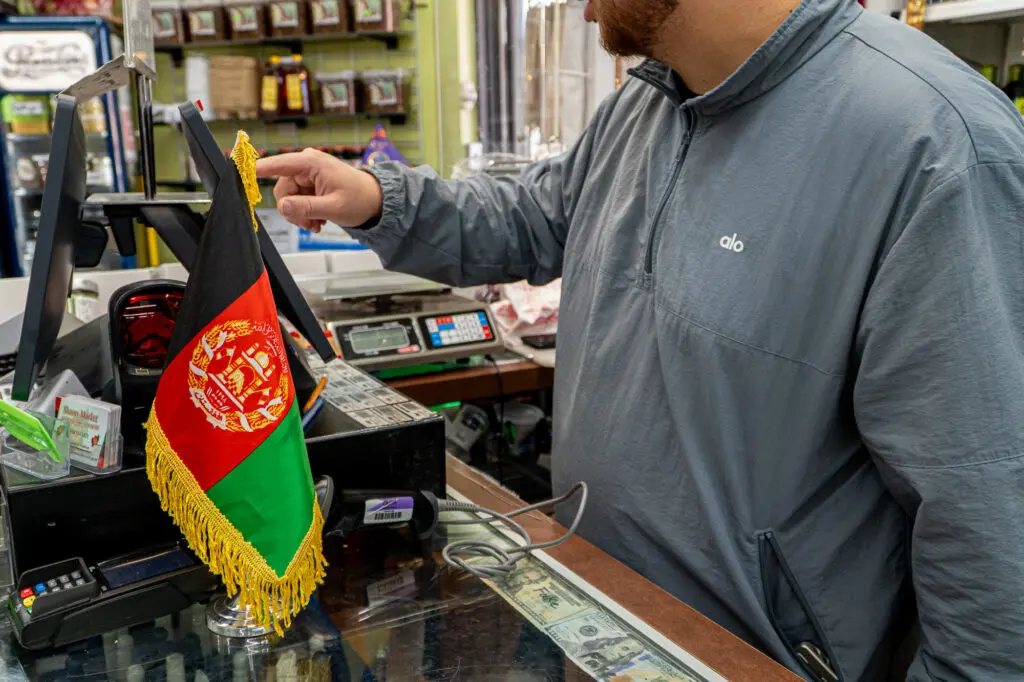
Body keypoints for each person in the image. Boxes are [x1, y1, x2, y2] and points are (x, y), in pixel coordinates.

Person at [255, 0, 1024, 679]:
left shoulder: (934, 146)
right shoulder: (652, 99)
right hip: (602, 620)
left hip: (752, 658)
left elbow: (991, 526)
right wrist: (376, 199)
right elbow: (534, 218)